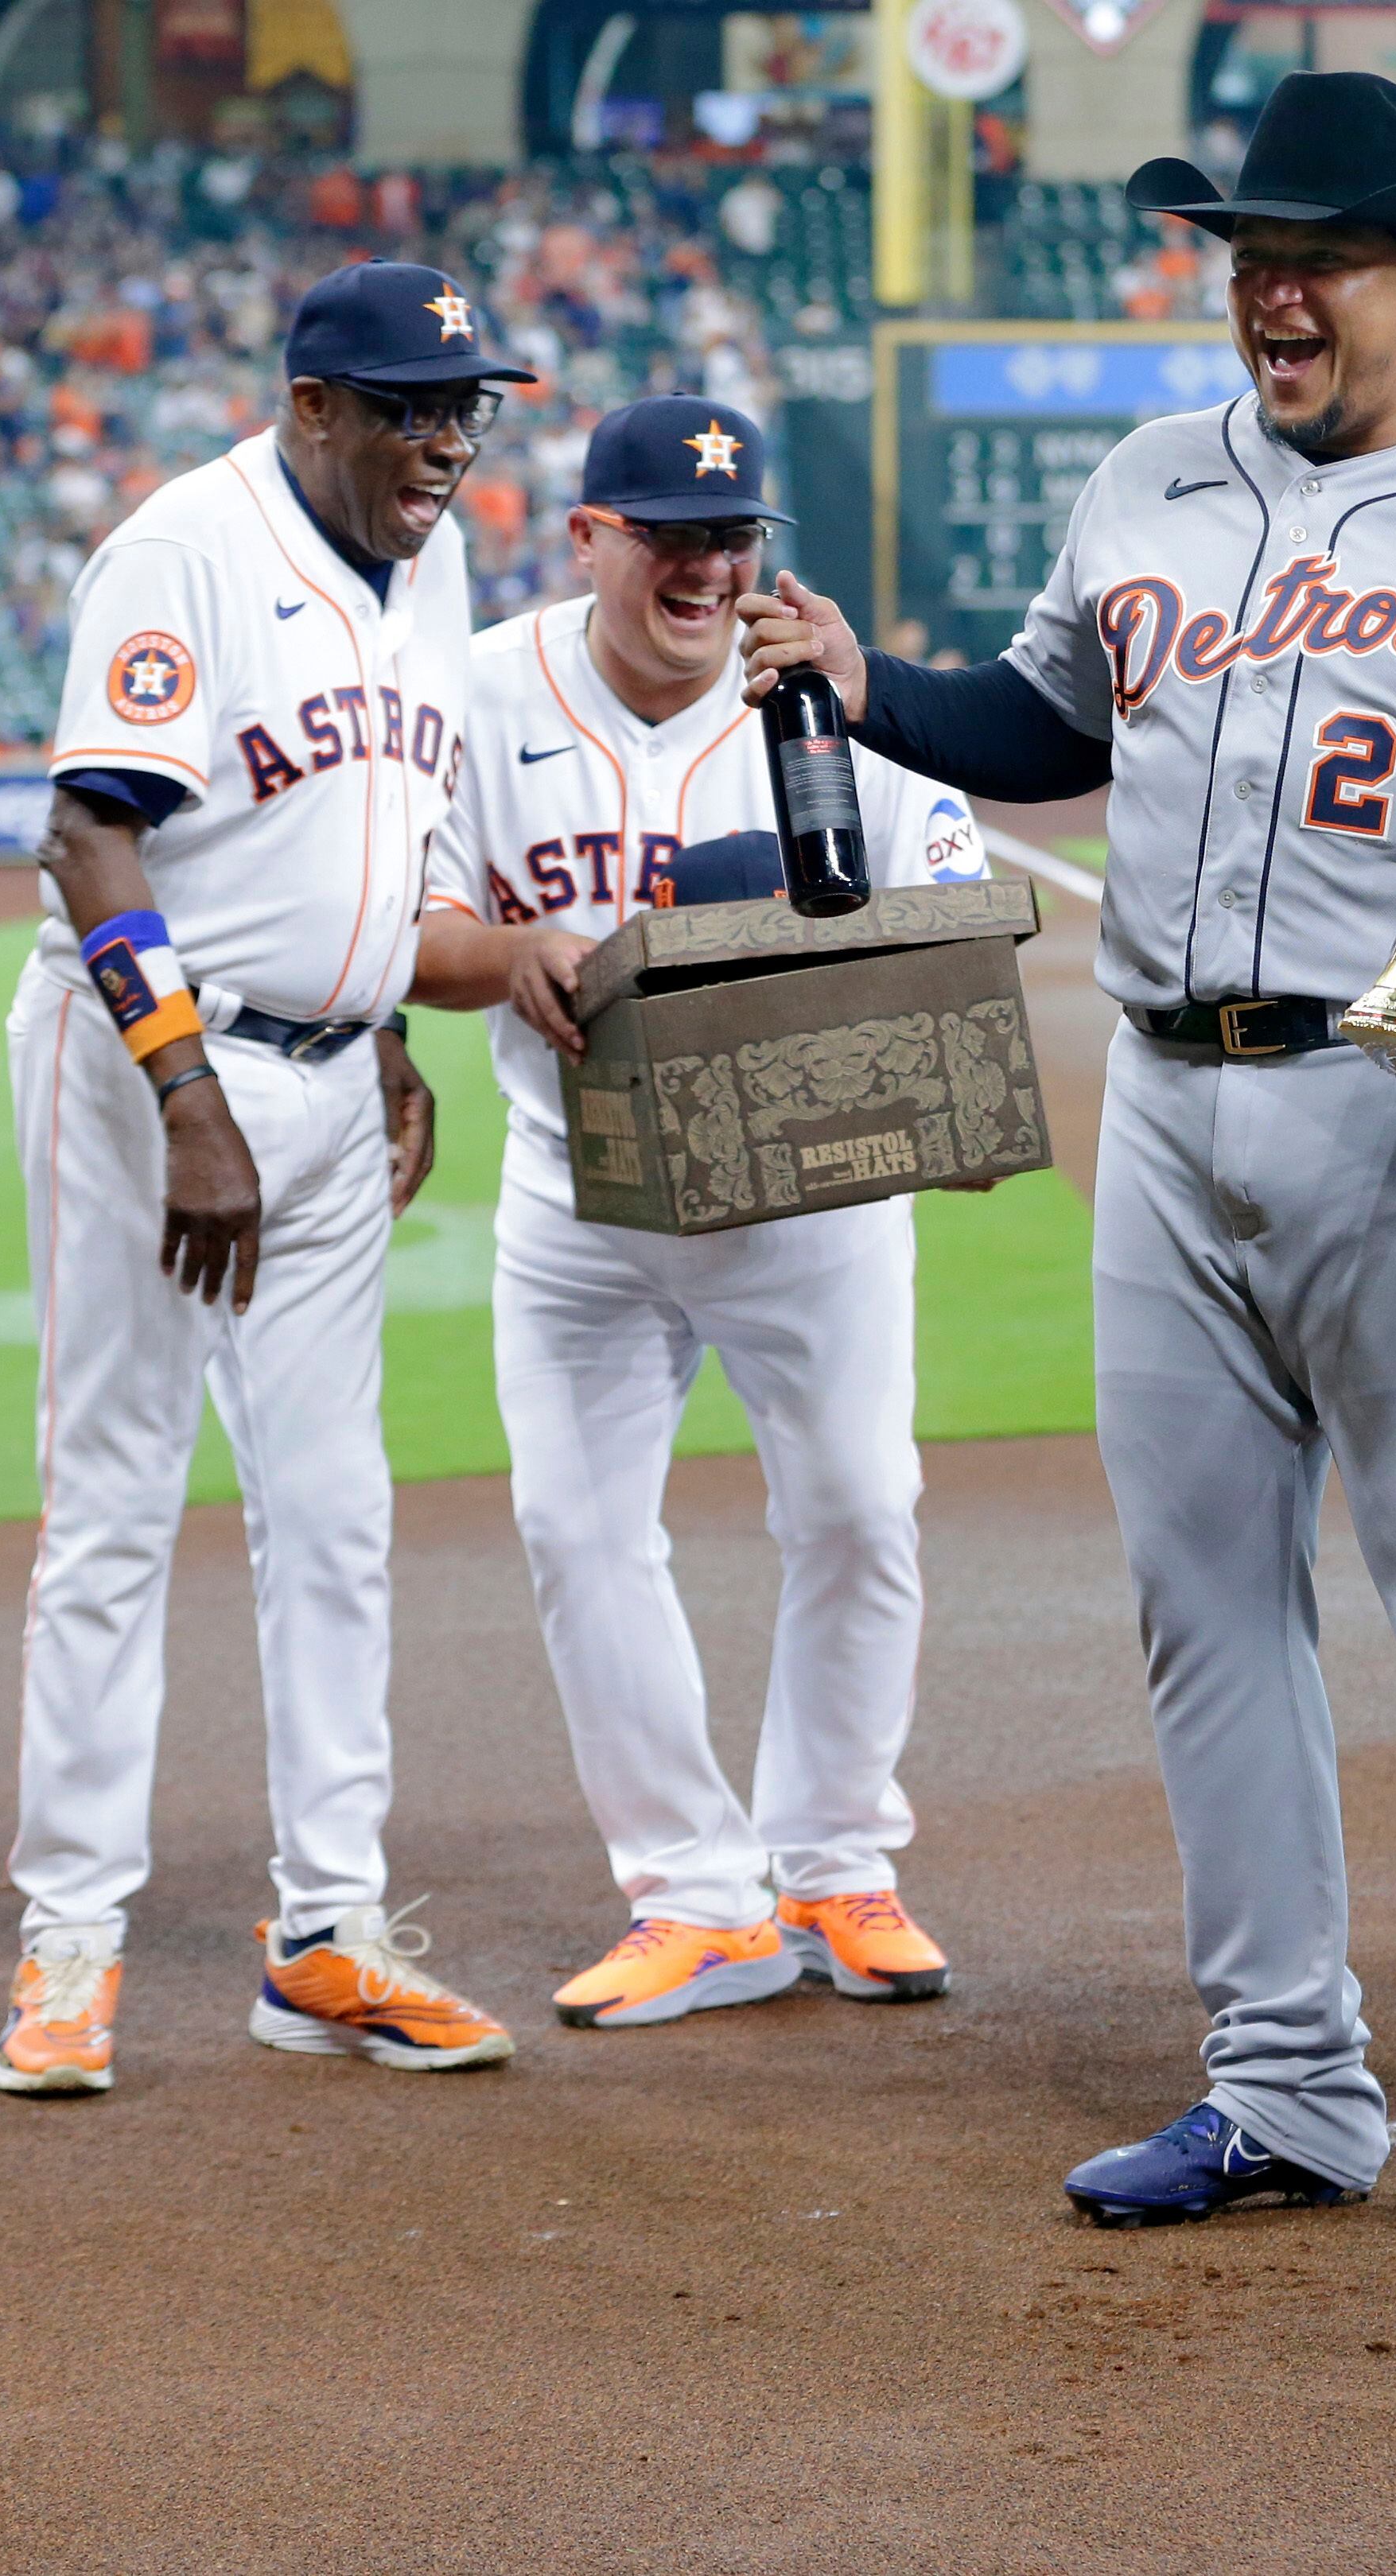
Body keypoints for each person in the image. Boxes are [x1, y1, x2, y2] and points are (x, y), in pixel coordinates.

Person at [746, 71, 1396, 2286]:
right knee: (1202, 1600)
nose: (1265, 288)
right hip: (1167, 1103)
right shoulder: (1142, 485)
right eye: (1242, 252)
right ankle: (1286, 2077)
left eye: (1314, 256)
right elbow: (1048, 729)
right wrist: (862, 685)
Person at [0, 262, 536, 2099]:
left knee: (335, 1505)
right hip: (153, 1066)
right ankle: (67, 1941)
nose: (446, 439)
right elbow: (91, 828)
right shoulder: (183, 549)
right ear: (312, 404)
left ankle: (330, 1932)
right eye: (410, 406)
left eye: (466, 407)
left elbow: (363, 837)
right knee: (118, 1492)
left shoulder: (428, 551)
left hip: (323, 1077)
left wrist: (385, 1026)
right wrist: (188, 1102)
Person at [410, 398, 985, 2028]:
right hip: (576, 1187)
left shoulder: (824, 694)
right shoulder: (479, 691)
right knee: (576, 1529)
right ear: (588, 535)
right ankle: (692, 1893)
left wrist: (932, 1055)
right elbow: (413, 913)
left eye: (731, 537)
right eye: (669, 532)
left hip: (809, 1192)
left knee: (861, 1508)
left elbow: (951, 904)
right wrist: (500, 956)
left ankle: (833, 1863)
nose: (708, 564)